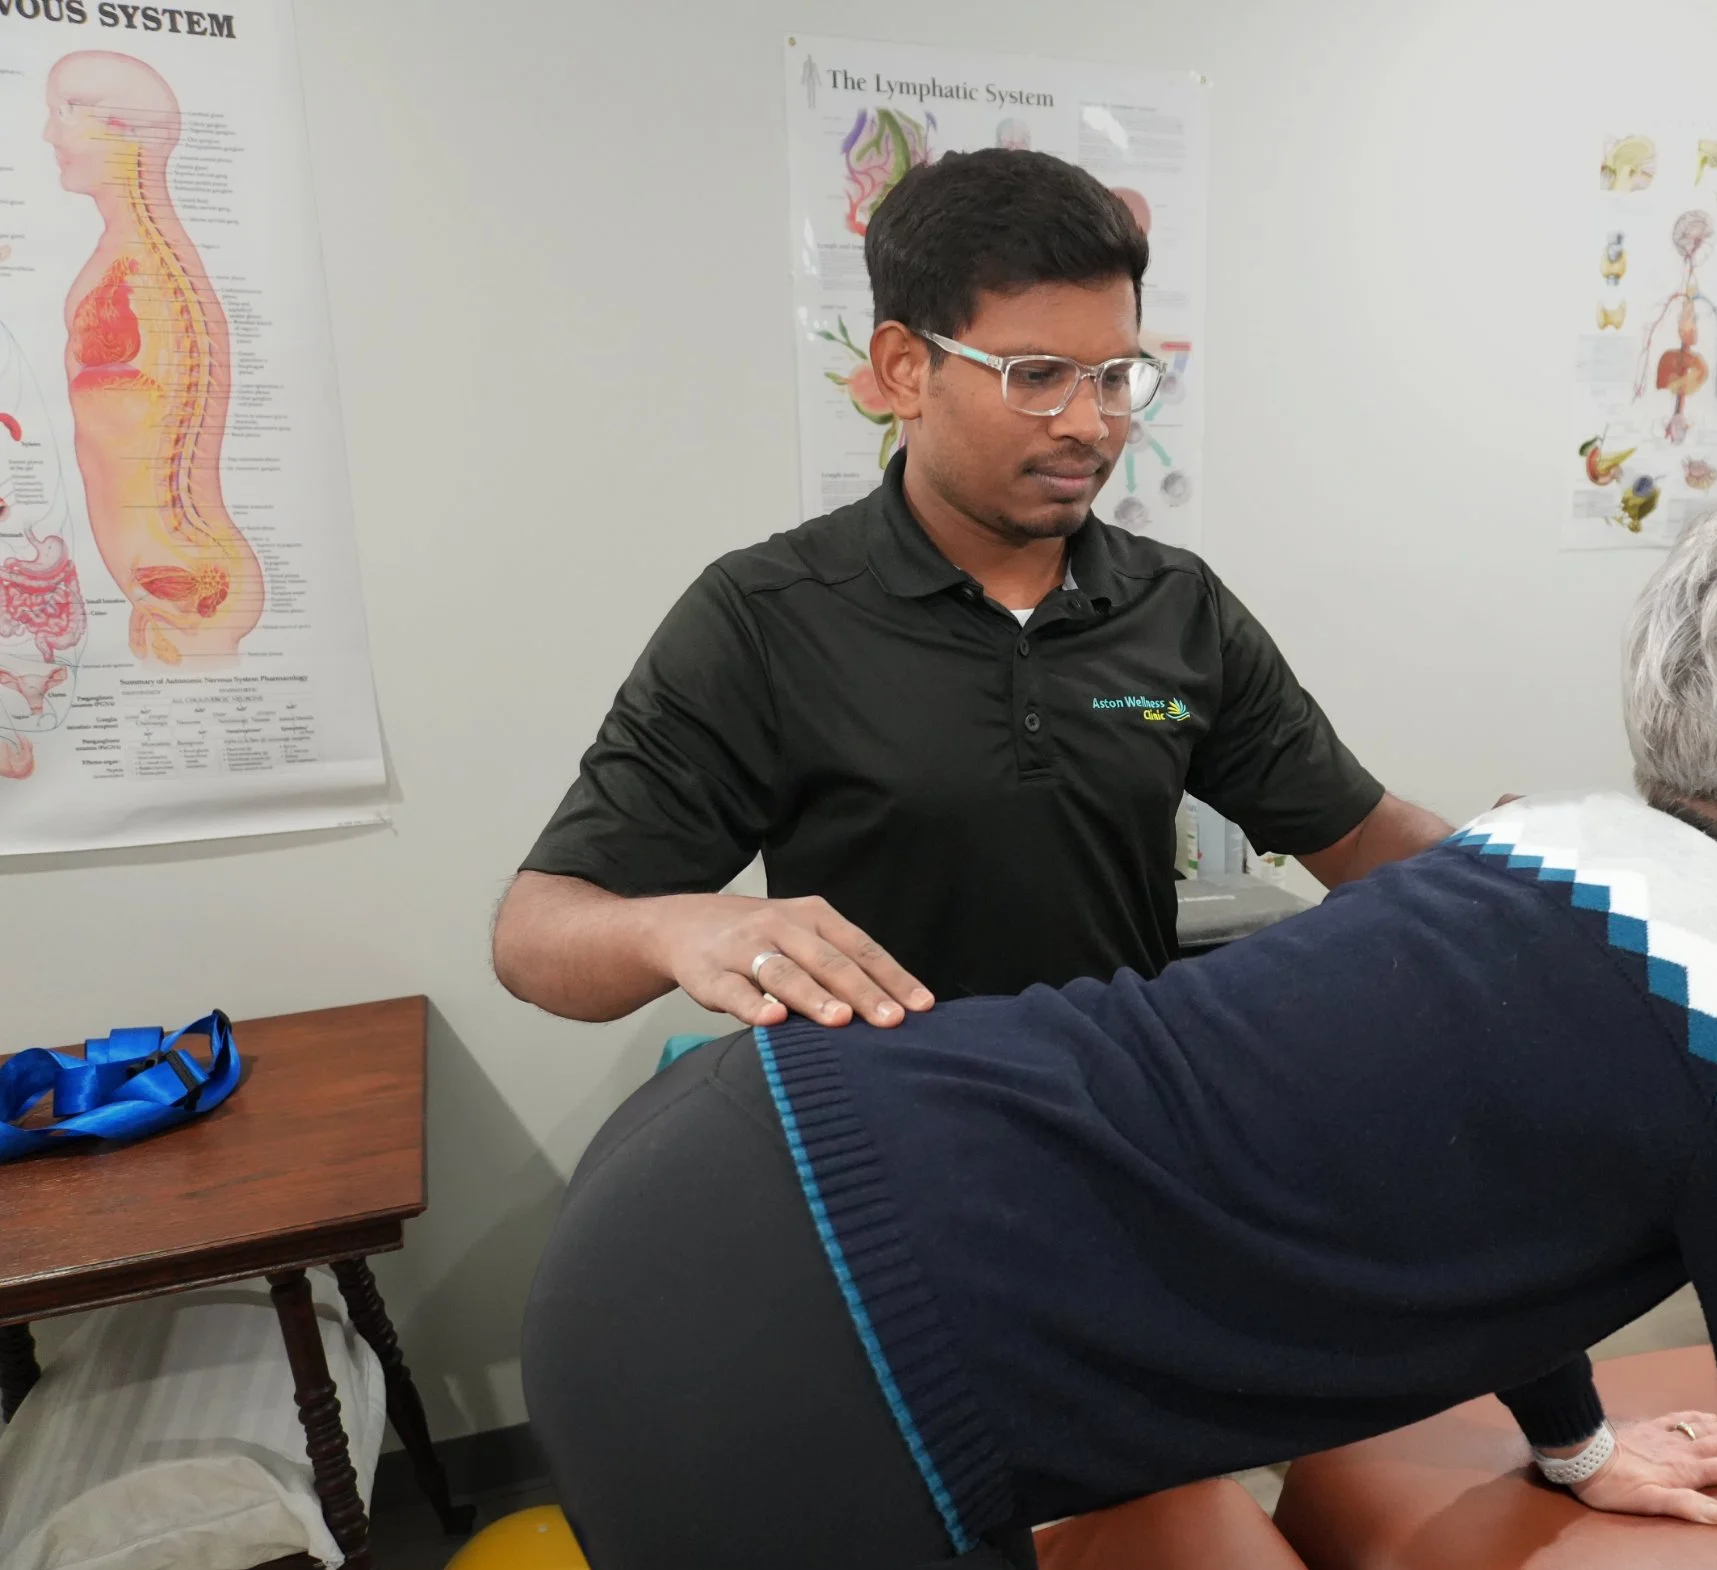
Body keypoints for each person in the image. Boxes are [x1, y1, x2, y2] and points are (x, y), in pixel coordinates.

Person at [524, 469, 1717, 1570]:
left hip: (728, 1155)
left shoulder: (1545, 846)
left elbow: (1484, 1158)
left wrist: (1572, 1440)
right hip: (773, 1351)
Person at [492, 149, 1447, 1030]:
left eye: (1115, 377)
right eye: (1038, 376)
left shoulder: (1175, 605)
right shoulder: (767, 617)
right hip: (887, 1122)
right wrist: (680, 926)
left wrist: (1513, 864)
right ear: (905, 370)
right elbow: (536, 937)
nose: (1090, 424)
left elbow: (1361, 837)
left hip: (1118, 1109)